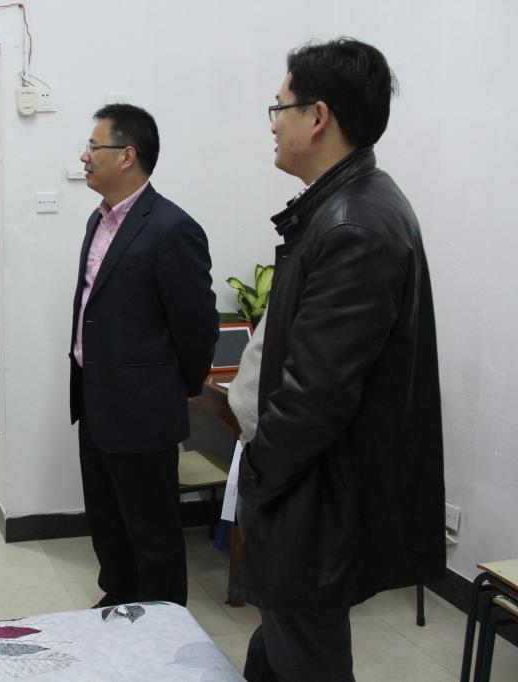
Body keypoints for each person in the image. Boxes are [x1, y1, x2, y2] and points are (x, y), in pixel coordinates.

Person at [235, 39, 445, 681]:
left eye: (280, 107)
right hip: (309, 492)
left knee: (307, 660)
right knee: (279, 652)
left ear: (318, 116)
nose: (273, 124)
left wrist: (260, 471)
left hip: (314, 500)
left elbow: (316, 396)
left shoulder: (354, 224)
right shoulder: (342, 205)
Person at [69, 104, 218, 608]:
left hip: (144, 409)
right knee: (108, 519)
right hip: (95, 400)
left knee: (152, 531)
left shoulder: (172, 228)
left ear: (127, 155)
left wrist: (173, 390)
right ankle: (119, 597)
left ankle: (163, 623)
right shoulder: (97, 221)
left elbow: (197, 327)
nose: (84, 156)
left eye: (95, 146)